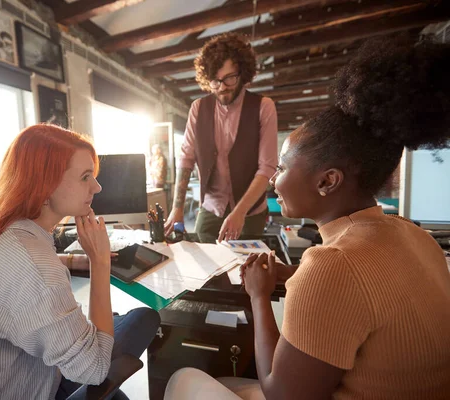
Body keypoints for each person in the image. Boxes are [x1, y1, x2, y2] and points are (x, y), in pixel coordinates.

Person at [164, 37, 450, 399]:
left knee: (184, 379)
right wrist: (296, 275)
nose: (272, 178)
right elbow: (367, 291)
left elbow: (281, 394)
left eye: (281, 167)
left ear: (327, 181)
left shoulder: (331, 265)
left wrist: (258, 294)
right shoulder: (416, 236)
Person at [0, 124, 160, 400]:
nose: (97, 187)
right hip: (21, 388)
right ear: (45, 183)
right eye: (85, 177)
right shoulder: (36, 268)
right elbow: (97, 369)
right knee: (144, 318)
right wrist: (99, 262)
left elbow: (20, 282)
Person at [164, 33, 278, 243]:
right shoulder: (198, 109)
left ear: (243, 73)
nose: (222, 87)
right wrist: (176, 209)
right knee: (205, 266)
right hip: (210, 207)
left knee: (246, 269)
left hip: (250, 211)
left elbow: (267, 167)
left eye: (229, 78)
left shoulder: (263, 107)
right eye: (215, 81)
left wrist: (239, 213)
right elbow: (186, 159)